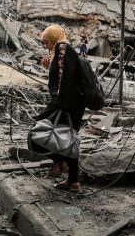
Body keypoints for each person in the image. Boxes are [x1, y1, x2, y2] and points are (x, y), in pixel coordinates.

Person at [34, 24, 85, 192]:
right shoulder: (61, 50)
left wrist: (59, 101)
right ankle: (73, 182)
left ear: (54, 38)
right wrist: (50, 65)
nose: (46, 46)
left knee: (37, 130)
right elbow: (63, 72)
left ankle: (60, 162)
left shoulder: (62, 47)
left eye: (46, 42)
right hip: (71, 102)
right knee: (69, 138)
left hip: (67, 102)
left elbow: (65, 77)